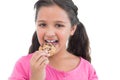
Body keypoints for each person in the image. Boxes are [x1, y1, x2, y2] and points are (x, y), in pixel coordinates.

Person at [9, 0, 98, 80]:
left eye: (59, 25)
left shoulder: (87, 70)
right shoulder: (23, 65)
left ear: (72, 29)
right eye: (43, 25)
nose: (49, 33)